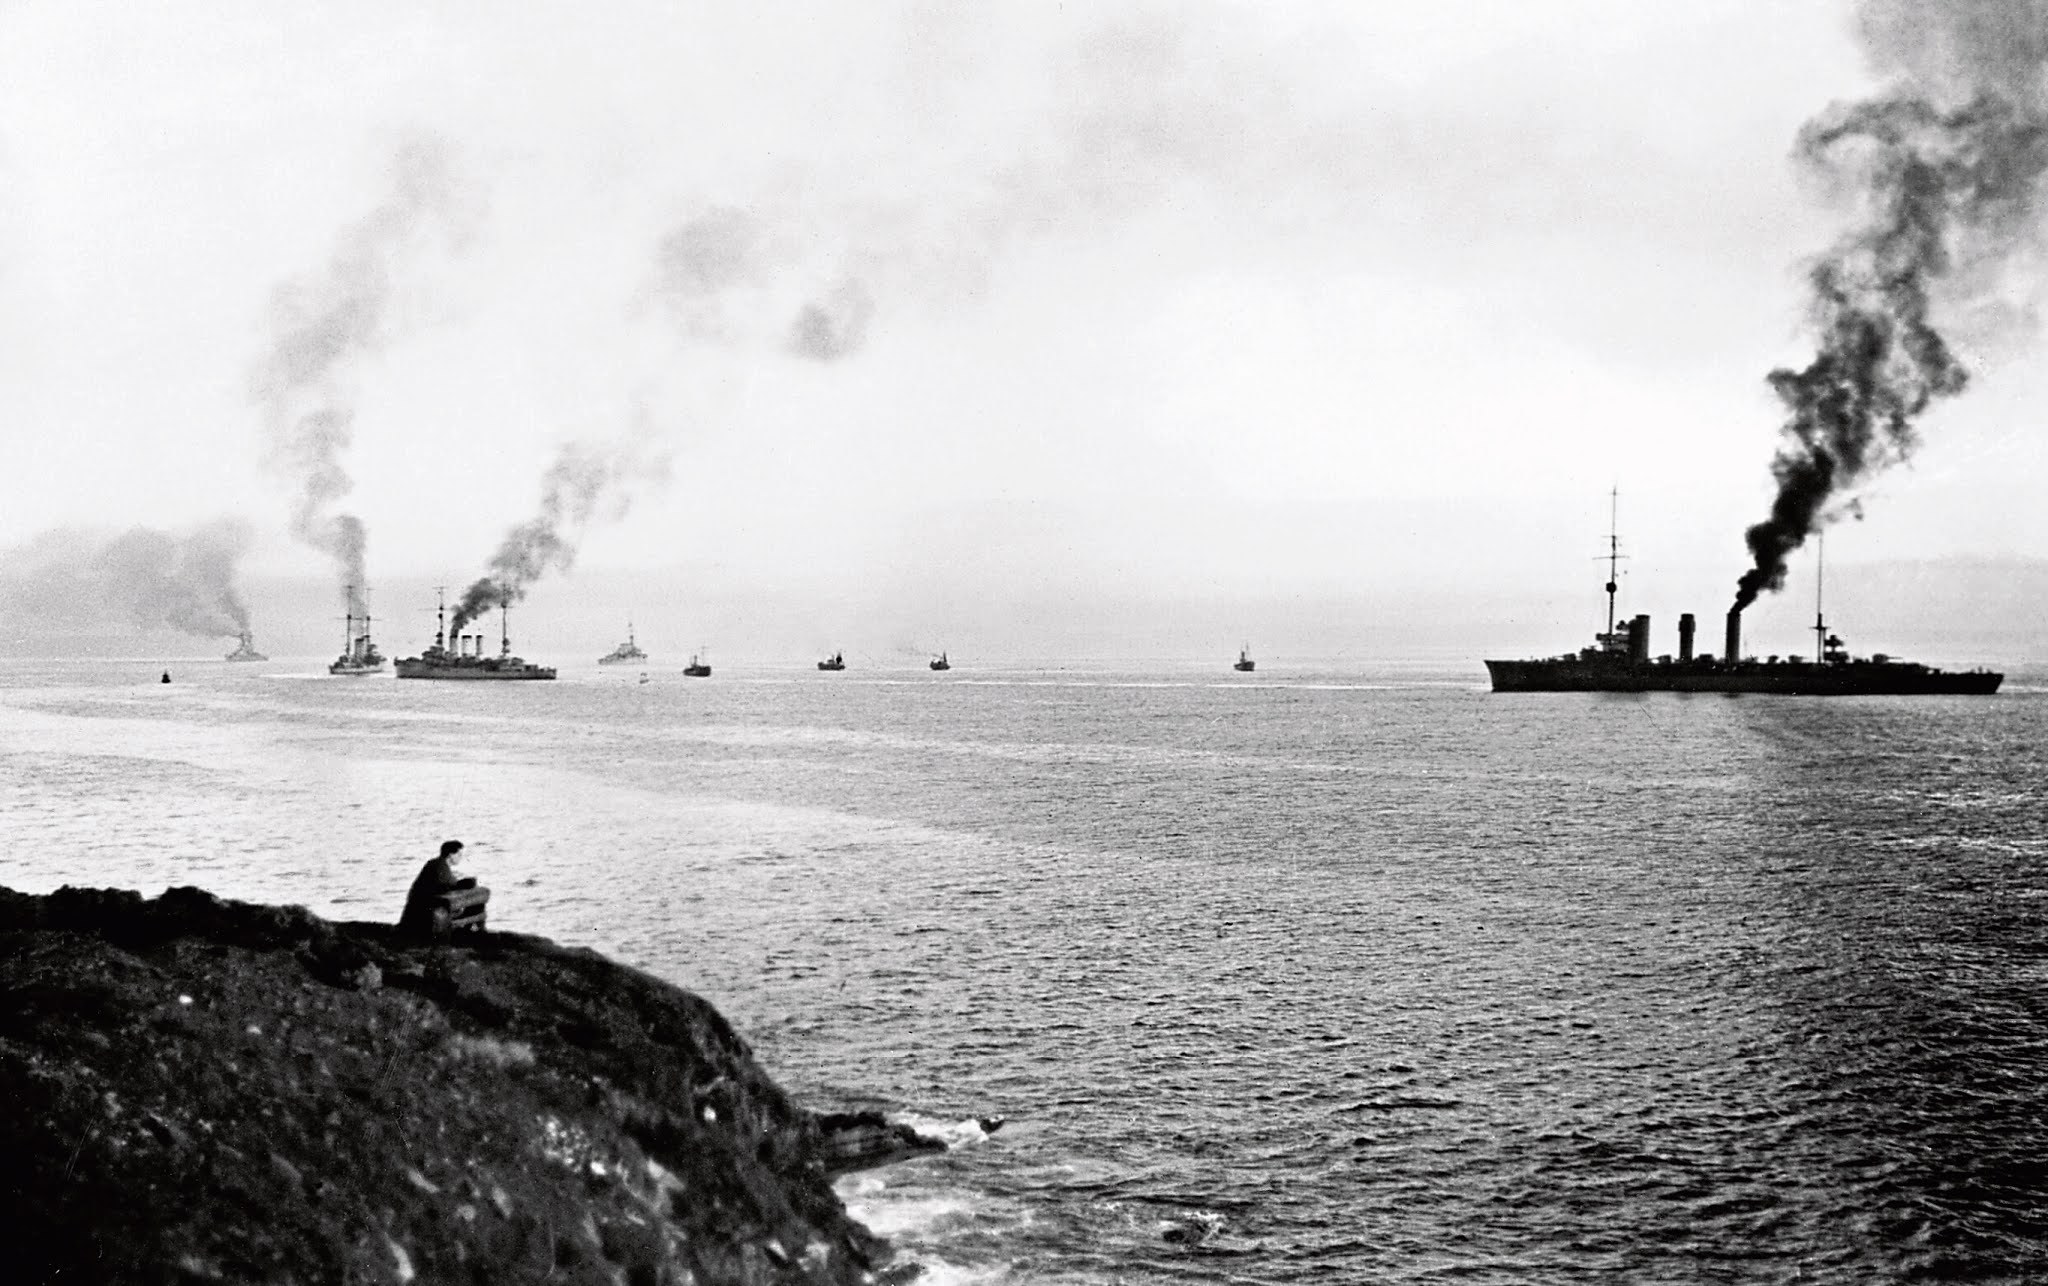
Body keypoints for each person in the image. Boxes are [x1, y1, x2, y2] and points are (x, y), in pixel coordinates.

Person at [400, 840, 479, 938]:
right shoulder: (439, 866)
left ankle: (469, 929)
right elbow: (444, 887)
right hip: (423, 907)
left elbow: (447, 885)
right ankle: (470, 931)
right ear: (450, 855)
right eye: (459, 854)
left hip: (424, 904)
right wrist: (464, 884)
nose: (461, 857)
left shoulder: (439, 864)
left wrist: (463, 883)